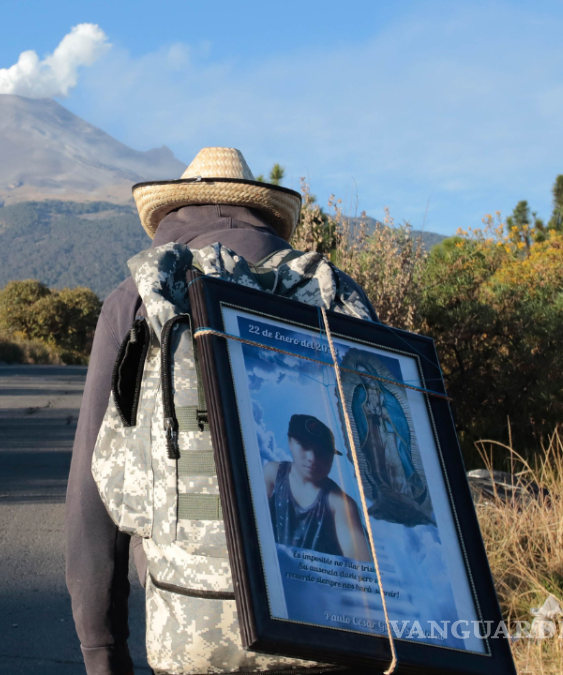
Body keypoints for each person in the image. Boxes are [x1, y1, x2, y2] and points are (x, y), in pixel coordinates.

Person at [64, 147, 378, 675]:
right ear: (266, 215)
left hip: (192, 623)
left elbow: (93, 496)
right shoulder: (331, 293)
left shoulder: (141, 297)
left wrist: (102, 650)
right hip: (336, 625)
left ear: (170, 215)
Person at [264, 414, 371, 562]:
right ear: (290, 443)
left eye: (322, 452)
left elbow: (362, 565)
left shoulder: (340, 504)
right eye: (305, 446)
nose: (312, 458)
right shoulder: (272, 474)